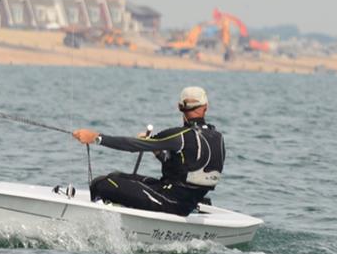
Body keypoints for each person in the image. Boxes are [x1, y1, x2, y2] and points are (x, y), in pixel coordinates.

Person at [72, 86, 225, 217]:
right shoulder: (218, 138)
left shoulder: (179, 136)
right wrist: (157, 152)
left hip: (169, 202)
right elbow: (186, 169)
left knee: (102, 183)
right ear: (206, 107)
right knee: (116, 176)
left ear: (180, 107)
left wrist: (95, 137)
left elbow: (132, 145)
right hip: (188, 202)